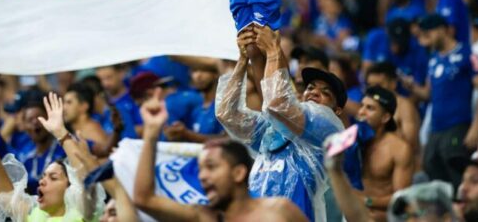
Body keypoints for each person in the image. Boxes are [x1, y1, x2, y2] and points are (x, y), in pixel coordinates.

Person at [216, 26, 344, 221]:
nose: (314, 92)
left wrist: (274, 50)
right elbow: (227, 114)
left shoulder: (330, 127)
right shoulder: (274, 130)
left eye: (326, 92)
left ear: (337, 111)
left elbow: (277, 103)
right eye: (310, 87)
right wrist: (242, 61)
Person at [133, 89, 307, 221]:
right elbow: (144, 199)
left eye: (211, 166)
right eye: (201, 169)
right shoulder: (203, 217)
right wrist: (151, 133)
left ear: (238, 173)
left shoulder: (279, 211)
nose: (202, 176)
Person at [0, 94, 103, 222]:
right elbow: (4, 195)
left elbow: (85, 180)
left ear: (70, 188)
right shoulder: (35, 214)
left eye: (53, 178)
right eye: (43, 176)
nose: (41, 181)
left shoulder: (82, 212)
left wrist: (60, 132)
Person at [403, 14, 478, 190]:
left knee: (455, 168)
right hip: (436, 128)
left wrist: (476, 126)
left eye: (428, 32)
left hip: (458, 125)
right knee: (430, 165)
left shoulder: (467, 55)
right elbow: (429, 94)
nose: (425, 37)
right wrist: (412, 87)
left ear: (442, 30)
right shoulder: (434, 59)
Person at [356, 86, 414, 221]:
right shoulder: (350, 140)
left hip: (380, 216)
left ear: (385, 117)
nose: (361, 112)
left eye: (370, 108)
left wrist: (366, 201)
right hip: (351, 212)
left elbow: (401, 197)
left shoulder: (399, 148)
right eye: (362, 106)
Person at [364, 62, 421, 152]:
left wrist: (384, 126)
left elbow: (411, 143)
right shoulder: (366, 106)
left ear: (393, 84)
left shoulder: (404, 107)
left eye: (379, 85)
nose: (374, 89)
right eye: (370, 84)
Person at [164, 64, 224, 143]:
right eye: (194, 71)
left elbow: (229, 140)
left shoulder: (223, 107)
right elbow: (192, 138)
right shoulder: (196, 109)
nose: (198, 76)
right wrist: (176, 134)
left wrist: (187, 134)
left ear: (216, 74)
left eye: (204, 70)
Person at [95, 65, 138, 140]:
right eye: (100, 80)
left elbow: (145, 127)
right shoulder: (99, 103)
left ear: (121, 74)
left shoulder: (135, 97)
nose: (105, 84)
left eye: (109, 77)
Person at [63, 83, 109, 148]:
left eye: (69, 102)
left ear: (83, 106)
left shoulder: (93, 132)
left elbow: (107, 156)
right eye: (64, 102)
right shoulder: (78, 130)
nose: (64, 108)